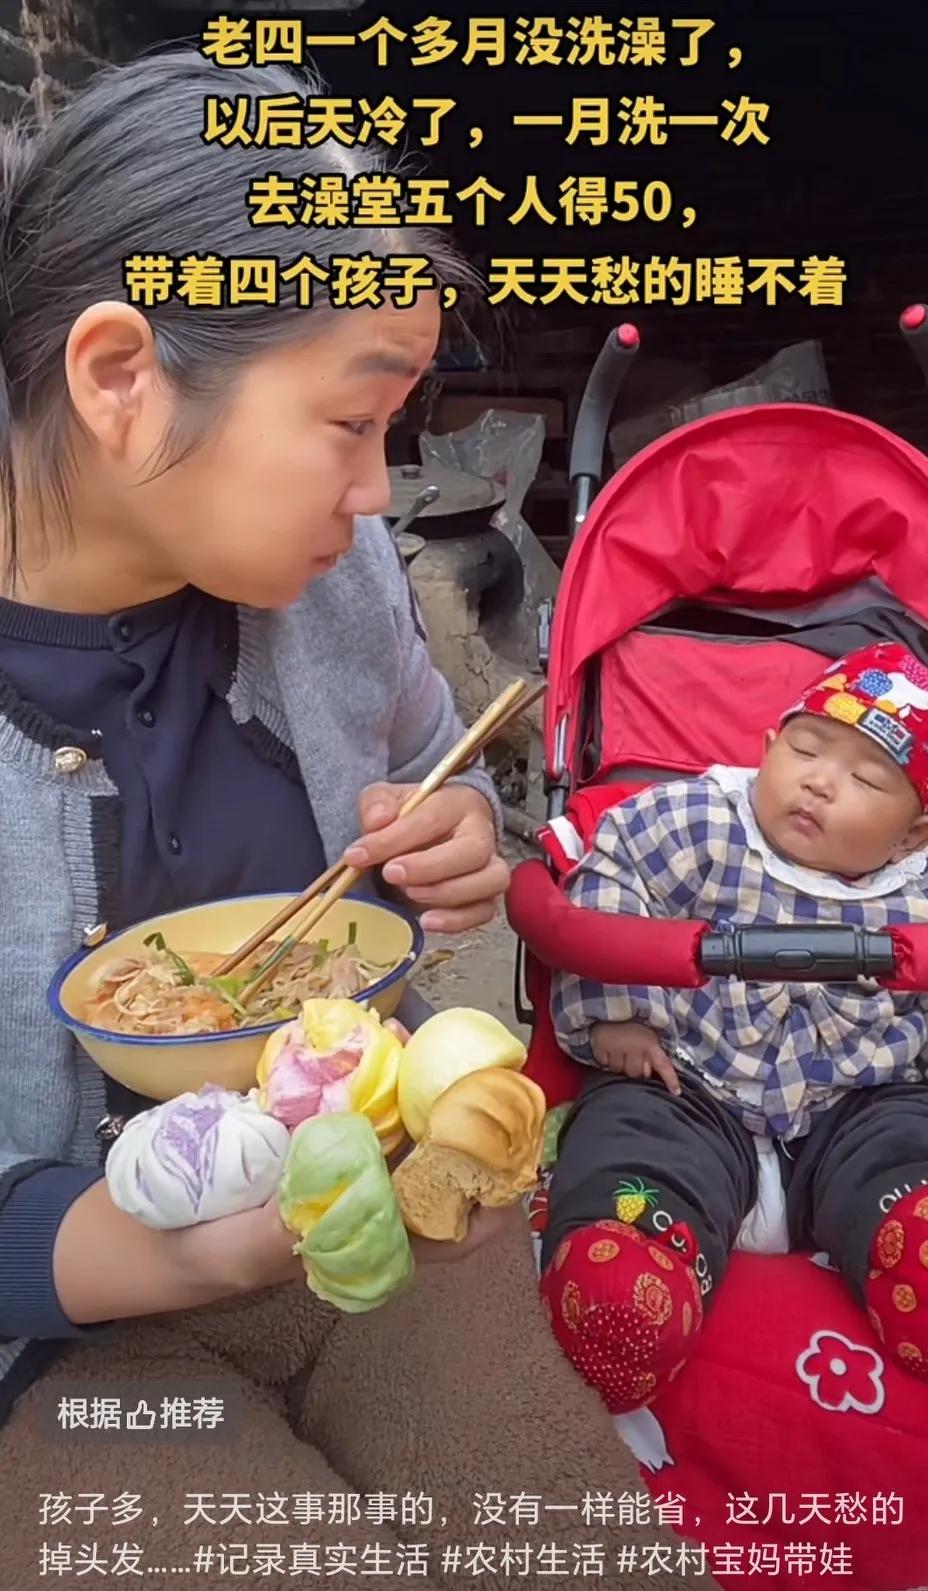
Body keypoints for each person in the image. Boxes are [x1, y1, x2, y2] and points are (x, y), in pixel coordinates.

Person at [0, 48, 706, 1591]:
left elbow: (425, 765)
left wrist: (454, 831)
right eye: (351, 424)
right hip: (60, 1344)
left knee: (570, 1537)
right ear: (119, 378)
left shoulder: (326, 586)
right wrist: (154, 1252)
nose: (382, 496)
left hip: (383, 1230)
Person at [542, 642, 928, 1414]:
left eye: (865, 779)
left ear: (913, 835)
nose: (819, 781)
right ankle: (631, 1275)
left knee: (910, 1141)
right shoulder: (694, 821)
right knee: (630, 1133)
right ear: (765, 748)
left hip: (860, 1096)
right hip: (688, 1073)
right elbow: (603, 882)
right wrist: (616, 1014)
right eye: (803, 748)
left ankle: (917, 1245)